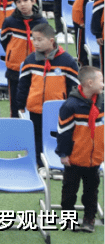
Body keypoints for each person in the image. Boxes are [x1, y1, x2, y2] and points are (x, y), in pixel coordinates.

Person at [16, 22, 79, 166]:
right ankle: (39, 163)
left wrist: (71, 106)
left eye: (39, 40)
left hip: (59, 109)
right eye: (34, 39)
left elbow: (74, 87)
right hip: (35, 107)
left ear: (51, 41)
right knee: (37, 136)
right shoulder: (30, 60)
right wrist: (20, 103)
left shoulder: (67, 61)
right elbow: (23, 84)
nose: (35, 43)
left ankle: (57, 163)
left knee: (60, 136)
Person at [55, 65, 103, 234]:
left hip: (94, 159)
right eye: (101, 80)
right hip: (74, 159)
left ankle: (89, 218)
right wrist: (63, 154)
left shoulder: (102, 104)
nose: (103, 84)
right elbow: (63, 133)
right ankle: (69, 218)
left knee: (91, 191)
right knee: (69, 191)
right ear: (90, 83)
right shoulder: (70, 106)